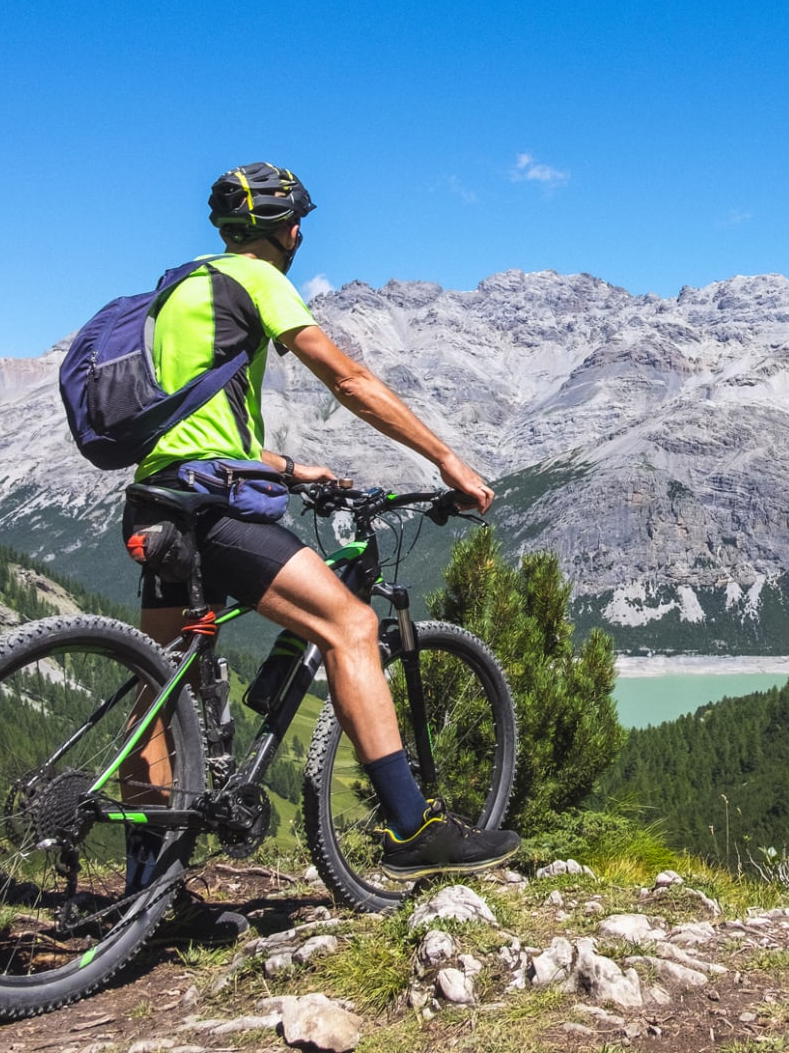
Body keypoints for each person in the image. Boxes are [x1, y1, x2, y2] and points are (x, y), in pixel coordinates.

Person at [119, 162, 519, 886]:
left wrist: (289, 467)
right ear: (287, 230)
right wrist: (446, 460)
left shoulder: (177, 289)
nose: (300, 234)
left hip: (159, 503)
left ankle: (143, 892)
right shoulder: (259, 278)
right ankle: (413, 829)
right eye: (298, 222)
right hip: (213, 511)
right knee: (353, 626)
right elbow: (349, 380)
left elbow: (191, 424)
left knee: (160, 686)